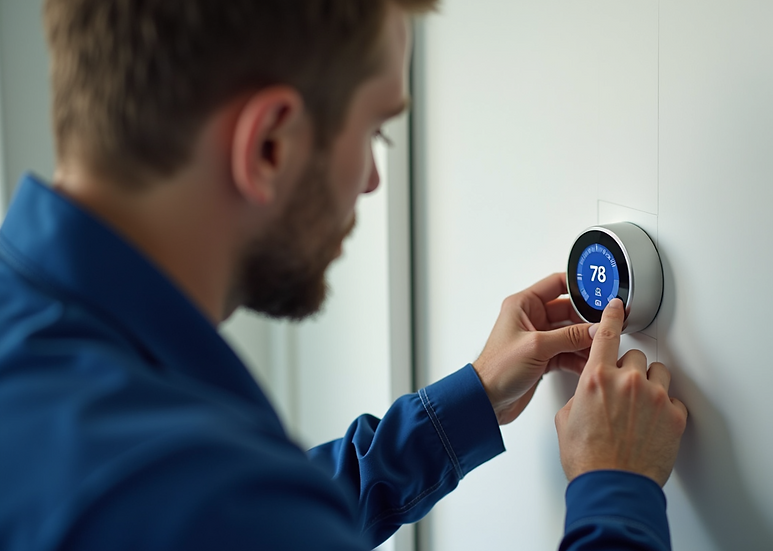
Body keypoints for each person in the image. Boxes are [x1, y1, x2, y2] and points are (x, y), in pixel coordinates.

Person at [0, 0, 688, 549]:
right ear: (270, 145)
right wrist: (613, 489)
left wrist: (469, 402)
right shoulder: (195, 493)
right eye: (375, 132)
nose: (372, 179)